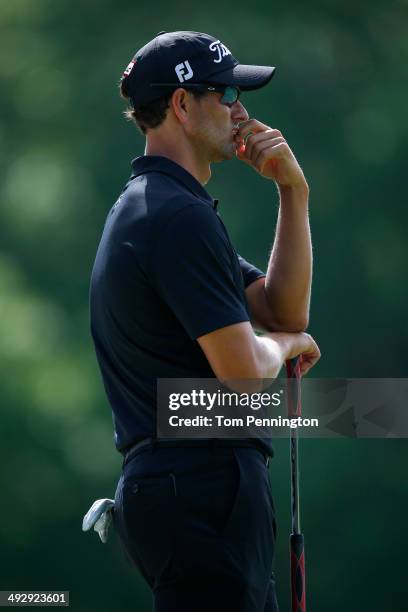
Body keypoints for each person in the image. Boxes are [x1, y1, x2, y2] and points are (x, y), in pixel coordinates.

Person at [89, 30, 320, 612]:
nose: (239, 110)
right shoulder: (172, 217)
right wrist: (286, 346)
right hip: (197, 487)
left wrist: (293, 192)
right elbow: (245, 374)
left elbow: (282, 307)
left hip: (193, 489)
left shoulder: (170, 208)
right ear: (182, 106)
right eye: (223, 93)